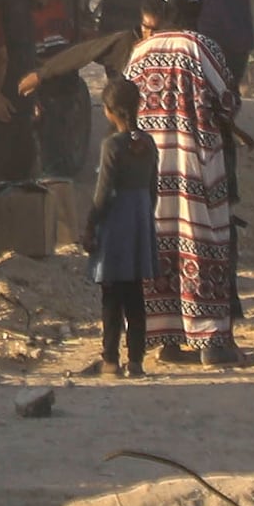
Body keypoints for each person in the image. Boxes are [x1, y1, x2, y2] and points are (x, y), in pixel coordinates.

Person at [87, 78, 159, 374]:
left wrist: (90, 225)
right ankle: (137, 361)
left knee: (111, 296)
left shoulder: (111, 145)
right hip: (140, 220)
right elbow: (154, 189)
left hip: (116, 223)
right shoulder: (149, 143)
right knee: (136, 296)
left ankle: (109, 359)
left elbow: (102, 193)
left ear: (108, 111)